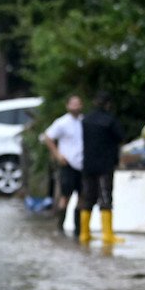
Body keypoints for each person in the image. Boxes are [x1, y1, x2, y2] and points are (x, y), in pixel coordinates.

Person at [78, 92, 124, 244]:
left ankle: (84, 233)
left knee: (88, 197)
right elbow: (120, 137)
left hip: (88, 164)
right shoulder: (110, 120)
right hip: (105, 164)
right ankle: (107, 234)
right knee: (105, 196)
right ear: (108, 104)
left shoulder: (85, 120)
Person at [42, 95, 83, 232]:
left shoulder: (84, 121)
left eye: (78, 104)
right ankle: (60, 227)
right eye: (73, 104)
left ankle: (78, 229)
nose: (75, 107)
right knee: (65, 196)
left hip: (82, 164)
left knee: (82, 197)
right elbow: (48, 137)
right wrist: (58, 155)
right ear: (67, 106)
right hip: (67, 164)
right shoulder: (62, 122)